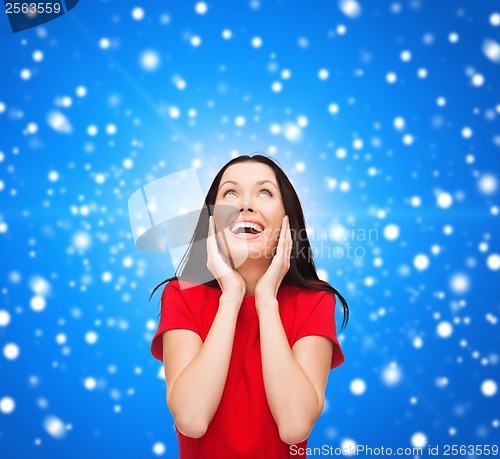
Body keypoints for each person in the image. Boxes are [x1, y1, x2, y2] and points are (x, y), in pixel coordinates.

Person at [149, 154, 349, 459]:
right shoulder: (181, 296)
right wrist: (231, 296)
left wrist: (267, 301)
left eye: (265, 192)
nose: (245, 205)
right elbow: (191, 420)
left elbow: (295, 427)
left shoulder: (316, 301)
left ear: (288, 219)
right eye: (230, 193)